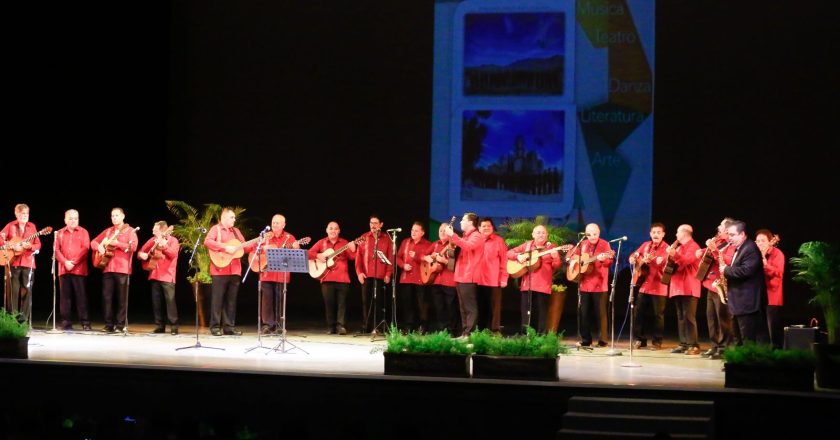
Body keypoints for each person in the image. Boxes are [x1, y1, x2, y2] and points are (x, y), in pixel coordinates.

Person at [204, 207, 255, 336]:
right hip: (219, 269)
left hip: (235, 270)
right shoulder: (215, 229)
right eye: (232, 217)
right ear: (224, 218)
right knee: (217, 299)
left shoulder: (236, 232)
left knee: (231, 300)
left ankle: (229, 327)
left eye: (234, 217)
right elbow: (208, 242)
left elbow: (245, 247)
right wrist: (225, 247)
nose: (234, 219)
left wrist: (257, 243)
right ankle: (215, 327)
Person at [91, 207, 138, 333]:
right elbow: (93, 242)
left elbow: (133, 246)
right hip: (107, 267)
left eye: (117, 215)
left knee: (122, 299)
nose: (114, 218)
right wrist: (99, 247)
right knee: (107, 297)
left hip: (122, 268)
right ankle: (108, 324)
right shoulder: (108, 231)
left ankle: (120, 325)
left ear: (123, 216)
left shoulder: (130, 231)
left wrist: (117, 243)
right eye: (112, 216)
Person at [506, 225, 561, 333]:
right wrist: (518, 256)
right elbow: (509, 252)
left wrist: (555, 257)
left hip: (543, 285)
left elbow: (556, 265)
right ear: (533, 235)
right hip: (527, 284)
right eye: (538, 232)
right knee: (526, 312)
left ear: (547, 235)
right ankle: (525, 335)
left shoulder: (551, 247)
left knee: (541, 312)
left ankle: (540, 337)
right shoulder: (527, 246)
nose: (541, 235)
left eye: (543, 233)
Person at [695, 218, 736, 359]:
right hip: (710, 284)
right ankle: (714, 346)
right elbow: (707, 253)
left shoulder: (732, 245)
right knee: (711, 317)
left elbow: (728, 262)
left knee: (723, 318)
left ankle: (724, 348)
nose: (718, 228)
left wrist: (713, 250)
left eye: (721, 226)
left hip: (722, 285)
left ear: (728, 230)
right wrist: (701, 251)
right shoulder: (719, 241)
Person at [254, 214, 301, 335]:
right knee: (267, 300)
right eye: (273, 222)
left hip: (281, 274)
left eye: (277, 223)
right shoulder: (265, 236)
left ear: (284, 225)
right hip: (266, 272)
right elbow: (254, 250)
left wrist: (296, 248)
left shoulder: (289, 237)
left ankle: (280, 325)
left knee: (280, 299)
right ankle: (267, 325)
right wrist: (263, 248)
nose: (274, 225)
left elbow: (296, 256)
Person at [567, 223, 613, 347]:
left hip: (599, 284)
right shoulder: (582, 244)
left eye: (595, 234)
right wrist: (574, 261)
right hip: (584, 285)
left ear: (599, 233)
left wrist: (603, 259)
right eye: (589, 234)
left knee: (601, 314)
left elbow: (609, 261)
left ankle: (603, 340)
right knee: (584, 313)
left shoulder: (604, 244)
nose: (592, 236)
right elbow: (569, 256)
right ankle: (586, 339)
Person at [309, 221, 357, 335]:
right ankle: (331, 327)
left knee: (342, 304)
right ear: (326, 230)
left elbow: (353, 257)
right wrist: (317, 255)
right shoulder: (321, 242)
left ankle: (341, 326)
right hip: (326, 277)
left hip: (342, 278)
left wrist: (353, 248)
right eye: (331, 228)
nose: (333, 231)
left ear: (339, 231)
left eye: (335, 229)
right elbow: (308, 253)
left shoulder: (345, 242)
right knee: (329, 303)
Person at [628, 222, 669, 350]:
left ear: (663, 234)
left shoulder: (666, 248)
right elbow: (633, 256)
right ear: (650, 234)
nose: (656, 235)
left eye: (658, 232)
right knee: (638, 314)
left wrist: (656, 262)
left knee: (658, 316)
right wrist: (634, 259)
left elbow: (666, 265)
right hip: (644, 285)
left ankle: (657, 342)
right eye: (653, 232)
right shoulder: (645, 245)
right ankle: (639, 339)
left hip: (659, 286)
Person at [1, 203, 42, 323]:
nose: (25, 216)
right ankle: (12, 319)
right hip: (13, 262)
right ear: (16, 214)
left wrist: (30, 246)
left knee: (27, 291)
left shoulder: (32, 227)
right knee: (13, 291)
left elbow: (38, 244)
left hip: (28, 263)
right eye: (22, 213)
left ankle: (23, 320)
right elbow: (1, 239)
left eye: (26, 213)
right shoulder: (10, 226)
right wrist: (10, 245)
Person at [444, 212, 484, 337]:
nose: (460, 222)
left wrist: (453, 235)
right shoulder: (465, 236)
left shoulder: (477, 236)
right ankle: (465, 332)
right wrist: (451, 239)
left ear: (470, 222)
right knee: (463, 308)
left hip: (469, 276)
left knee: (470, 307)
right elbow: (459, 247)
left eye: (463, 220)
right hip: (460, 275)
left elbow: (468, 246)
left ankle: (469, 334)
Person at [138, 220, 180, 334]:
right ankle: (160, 325)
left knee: (170, 302)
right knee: (157, 302)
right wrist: (142, 255)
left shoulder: (173, 241)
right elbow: (140, 251)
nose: (152, 231)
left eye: (155, 230)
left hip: (167, 275)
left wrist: (163, 245)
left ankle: (174, 327)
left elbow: (173, 254)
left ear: (162, 230)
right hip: (154, 274)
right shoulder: (153, 240)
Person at [666, 224, 702, 355]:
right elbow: (673, 266)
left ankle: (694, 345)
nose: (676, 235)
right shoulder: (679, 248)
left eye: (677, 232)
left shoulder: (694, 247)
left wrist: (674, 254)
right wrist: (669, 256)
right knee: (681, 316)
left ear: (684, 233)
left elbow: (686, 261)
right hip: (678, 287)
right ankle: (683, 343)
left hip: (689, 286)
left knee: (689, 317)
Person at [55, 209, 91, 331]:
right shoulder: (59, 233)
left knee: (81, 297)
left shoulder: (83, 232)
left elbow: (85, 248)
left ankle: (85, 322)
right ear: (65, 220)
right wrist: (65, 262)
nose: (73, 220)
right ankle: (66, 322)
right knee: (65, 297)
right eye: (70, 218)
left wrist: (74, 262)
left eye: (75, 218)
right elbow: (56, 250)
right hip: (63, 269)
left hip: (79, 269)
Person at [355, 214, 393, 333]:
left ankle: (378, 326)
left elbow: (390, 258)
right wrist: (359, 273)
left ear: (381, 225)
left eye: (375, 223)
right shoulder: (364, 237)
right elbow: (358, 258)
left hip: (381, 276)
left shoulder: (387, 239)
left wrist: (388, 273)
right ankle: (366, 326)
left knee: (379, 302)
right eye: (371, 223)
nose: (373, 226)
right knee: (366, 302)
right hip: (366, 275)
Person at [423, 223, 459, 334]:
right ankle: (443, 330)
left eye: (444, 231)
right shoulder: (435, 244)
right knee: (439, 308)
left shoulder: (453, 245)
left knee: (451, 308)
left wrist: (444, 261)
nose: (442, 233)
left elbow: (455, 266)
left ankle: (452, 330)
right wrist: (428, 257)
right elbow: (423, 255)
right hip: (436, 281)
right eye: (440, 231)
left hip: (449, 281)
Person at [396, 221, 432, 333]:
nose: (413, 232)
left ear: (422, 232)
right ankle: (409, 326)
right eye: (412, 230)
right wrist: (403, 265)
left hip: (421, 279)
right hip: (406, 278)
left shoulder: (427, 244)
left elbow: (429, 259)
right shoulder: (405, 242)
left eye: (416, 230)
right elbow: (397, 258)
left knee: (422, 304)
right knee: (407, 304)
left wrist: (417, 257)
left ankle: (423, 326)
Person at [476, 218, 508, 333]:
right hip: (477, 280)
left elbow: (504, 260)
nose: (486, 228)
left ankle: (494, 331)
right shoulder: (475, 240)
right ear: (479, 228)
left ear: (492, 228)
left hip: (494, 280)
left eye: (488, 226)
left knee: (494, 308)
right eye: (483, 226)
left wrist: (504, 278)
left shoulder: (499, 241)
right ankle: (479, 331)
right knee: (479, 306)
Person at [756, 229, 783, 349]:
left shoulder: (777, 254)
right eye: (757, 241)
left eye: (763, 241)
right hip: (758, 295)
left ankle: (776, 352)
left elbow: (779, 273)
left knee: (773, 327)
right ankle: (762, 351)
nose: (759, 243)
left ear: (770, 241)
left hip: (772, 295)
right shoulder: (755, 254)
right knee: (760, 328)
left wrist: (766, 265)